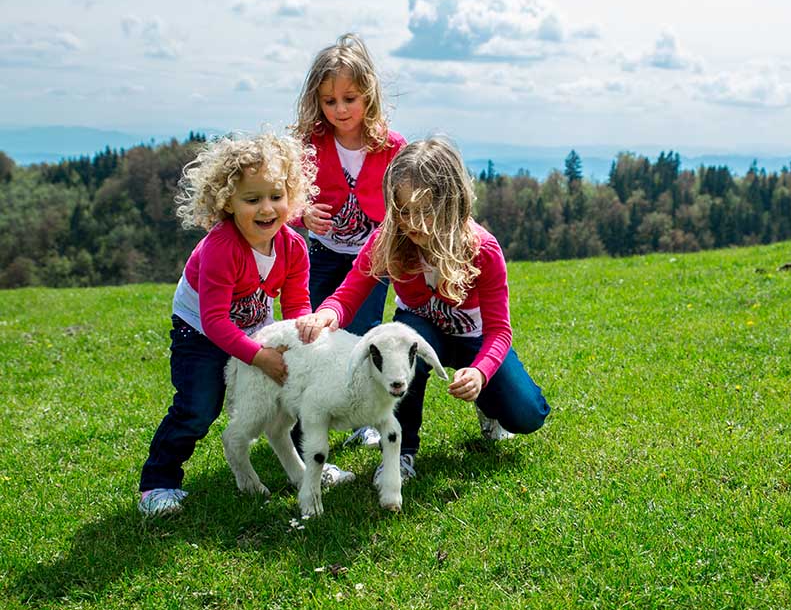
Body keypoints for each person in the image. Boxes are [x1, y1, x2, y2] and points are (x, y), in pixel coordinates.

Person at [295, 137, 551, 483]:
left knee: (527, 415)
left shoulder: (483, 249)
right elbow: (350, 290)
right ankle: (401, 454)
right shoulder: (389, 238)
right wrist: (328, 314)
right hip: (419, 329)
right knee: (400, 350)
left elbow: (500, 332)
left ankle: (489, 407)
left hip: (473, 340)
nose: (411, 222)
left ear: (451, 203)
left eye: (424, 210)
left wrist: (479, 372)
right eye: (402, 211)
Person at [137, 133, 354, 517]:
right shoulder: (221, 248)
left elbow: (297, 304)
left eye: (276, 196)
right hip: (200, 332)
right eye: (252, 200)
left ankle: (308, 470)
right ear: (227, 203)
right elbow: (215, 321)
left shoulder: (293, 247)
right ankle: (159, 483)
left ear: (292, 196)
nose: (266, 208)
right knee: (198, 407)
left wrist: (303, 334)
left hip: (255, 325)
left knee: (298, 392)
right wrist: (259, 357)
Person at [291, 33, 406, 449]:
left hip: (372, 260)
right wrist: (301, 215)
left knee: (363, 336)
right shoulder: (310, 144)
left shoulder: (392, 146)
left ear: (369, 96)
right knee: (315, 334)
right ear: (317, 102)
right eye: (329, 101)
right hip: (321, 255)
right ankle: (306, 413)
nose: (340, 109)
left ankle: (364, 417)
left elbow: (402, 203)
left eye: (350, 98)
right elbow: (281, 200)